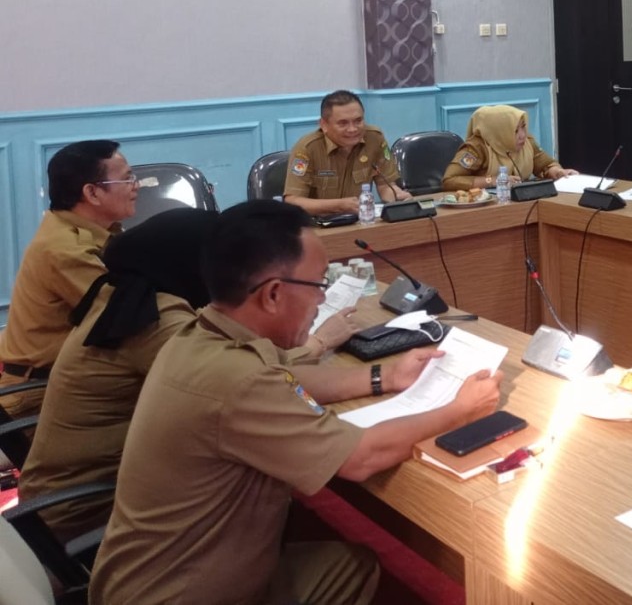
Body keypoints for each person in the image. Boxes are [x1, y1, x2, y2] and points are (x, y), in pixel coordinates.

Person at [89, 200, 504, 605]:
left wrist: (385, 377)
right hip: (178, 592)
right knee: (353, 569)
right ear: (272, 294)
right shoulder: (238, 380)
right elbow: (362, 458)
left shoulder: (199, 336)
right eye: (319, 284)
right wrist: (459, 410)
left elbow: (287, 377)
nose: (322, 300)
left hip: (144, 577)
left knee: (347, 566)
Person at [20, 208, 361, 540]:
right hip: (86, 510)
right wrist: (317, 343)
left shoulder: (124, 297)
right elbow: (246, 374)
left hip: (71, 494)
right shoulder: (155, 322)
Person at [0, 140, 139, 418]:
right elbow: (125, 319)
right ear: (92, 193)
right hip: (38, 395)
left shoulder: (88, 230)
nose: (136, 186)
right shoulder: (64, 249)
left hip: (66, 381)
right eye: (127, 179)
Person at [283, 89, 411, 216]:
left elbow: (385, 186)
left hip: (359, 220)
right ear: (323, 125)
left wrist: (398, 196)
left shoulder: (374, 138)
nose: (352, 129)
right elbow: (293, 202)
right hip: (317, 223)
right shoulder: (307, 148)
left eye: (358, 121)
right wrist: (338, 206)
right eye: (343, 123)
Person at [441, 105, 578, 193]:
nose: (522, 135)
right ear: (501, 131)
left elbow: (546, 165)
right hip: (484, 209)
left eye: (523, 127)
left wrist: (558, 172)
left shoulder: (527, 142)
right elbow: (450, 180)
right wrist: (493, 181)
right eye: (515, 130)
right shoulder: (476, 148)